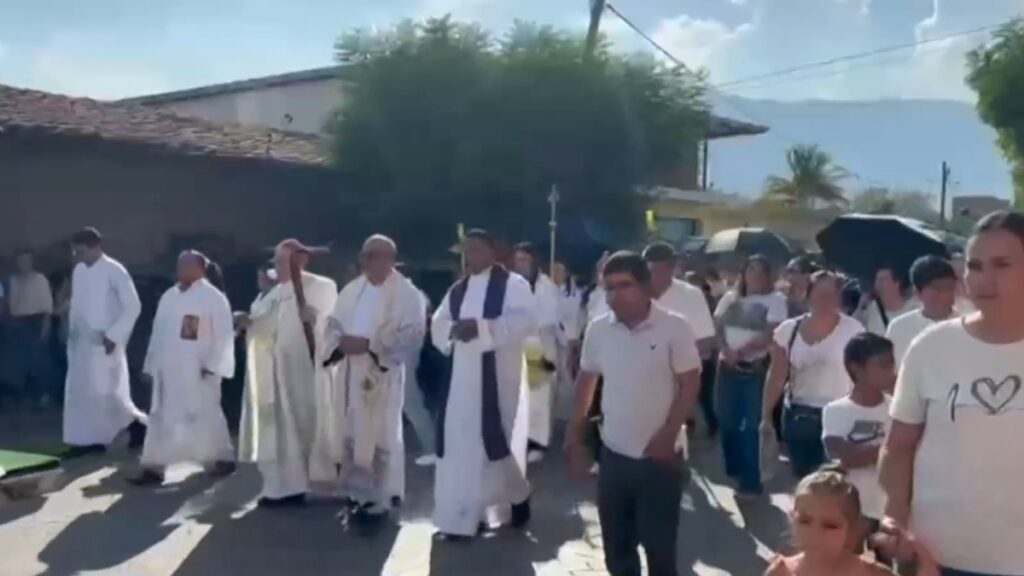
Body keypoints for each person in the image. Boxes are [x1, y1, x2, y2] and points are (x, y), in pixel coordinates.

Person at [878, 211, 1024, 576]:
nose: (984, 280)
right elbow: (898, 447)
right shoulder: (932, 347)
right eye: (974, 266)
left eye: (1002, 265)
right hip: (937, 558)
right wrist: (895, 518)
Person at [566, 251, 701, 576]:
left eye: (623, 285)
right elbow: (587, 382)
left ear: (644, 286)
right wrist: (575, 438)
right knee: (617, 548)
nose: (614, 295)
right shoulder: (599, 330)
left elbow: (689, 383)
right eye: (608, 287)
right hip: (613, 454)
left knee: (659, 549)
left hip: (660, 458)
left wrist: (668, 435)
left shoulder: (674, 327)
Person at [430, 229, 535, 539]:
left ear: (493, 252)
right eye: (467, 250)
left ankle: (517, 495)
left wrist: (481, 328)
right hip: (461, 379)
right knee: (461, 446)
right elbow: (438, 322)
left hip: (497, 376)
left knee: (493, 441)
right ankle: (463, 519)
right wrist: (452, 330)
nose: (471, 255)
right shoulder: (458, 289)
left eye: (477, 249)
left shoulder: (513, 285)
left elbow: (525, 322)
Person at [323, 234, 426, 530]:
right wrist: (340, 344)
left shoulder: (406, 294)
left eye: (374, 255)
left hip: (380, 374)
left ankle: (381, 497)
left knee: (381, 433)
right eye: (365, 255)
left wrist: (370, 344)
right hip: (350, 372)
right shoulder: (352, 290)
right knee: (353, 430)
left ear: (390, 259)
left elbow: (413, 335)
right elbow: (332, 325)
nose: (367, 261)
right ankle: (358, 492)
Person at [236, 239, 339, 507]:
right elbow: (261, 324)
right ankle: (281, 486)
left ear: (301, 261)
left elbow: (331, 325)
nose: (278, 267)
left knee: (305, 427)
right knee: (277, 433)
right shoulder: (274, 294)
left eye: (284, 262)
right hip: (273, 374)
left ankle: (309, 481)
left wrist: (313, 319)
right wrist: (248, 323)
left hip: (303, 371)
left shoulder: (321, 287)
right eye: (277, 262)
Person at [129, 251, 236, 485]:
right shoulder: (169, 296)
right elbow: (158, 333)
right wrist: (152, 363)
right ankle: (154, 467)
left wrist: (214, 364)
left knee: (203, 413)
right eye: (179, 265)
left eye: (185, 265)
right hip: (168, 370)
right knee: (161, 416)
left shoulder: (212, 298)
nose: (180, 269)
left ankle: (220, 458)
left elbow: (224, 336)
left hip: (198, 370)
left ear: (200, 268)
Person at [764, 271, 865, 478]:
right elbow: (776, 373)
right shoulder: (788, 330)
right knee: (804, 482)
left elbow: (862, 375)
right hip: (799, 416)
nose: (827, 301)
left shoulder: (854, 330)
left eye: (833, 294)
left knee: (835, 481)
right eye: (821, 294)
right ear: (808, 295)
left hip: (839, 415)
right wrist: (765, 415)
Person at [764, 466, 938, 576]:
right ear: (791, 520)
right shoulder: (781, 572)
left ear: (853, 530)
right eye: (804, 521)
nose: (815, 533)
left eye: (830, 526)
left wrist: (921, 554)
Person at [63, 227, 145, 455]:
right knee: (82, 394)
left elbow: (133, 306)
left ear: (95, 247)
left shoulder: (114, 270)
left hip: (104, 343)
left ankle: (137, 426)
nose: (78, 257)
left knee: (108, 393)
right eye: (75, 253)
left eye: (81, 252)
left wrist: (114, 335)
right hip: (81, 344)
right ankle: (86, 441)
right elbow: (78, 307)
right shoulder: (79, 270)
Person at [714, 255, 787, 498]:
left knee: (751, 426)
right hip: (727, 367)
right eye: (750, 269)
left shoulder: (775, 300)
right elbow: (717, 324)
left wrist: (742, 352)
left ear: (768, 275)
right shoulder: (730, 298)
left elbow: (771, 332)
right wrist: (726, 350)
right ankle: (734, 468)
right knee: (726, 420)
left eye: (760, 270)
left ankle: (751, 481)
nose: (754, 274)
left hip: (756, 368)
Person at [822, 333, 896, 538]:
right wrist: (892, 449)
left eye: (891, 363)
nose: (890, 370)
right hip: (849, 510)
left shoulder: (898, 410)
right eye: (882, 364)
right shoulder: (835, 410)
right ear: (856, 367)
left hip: (888, 510)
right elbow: (846, 456)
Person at [512, 242, 561, 463]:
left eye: (525, 260)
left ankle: (539, 444)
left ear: (533, 261)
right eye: (518, 260)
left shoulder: (545, 286)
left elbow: (549, 317)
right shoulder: (514, 284)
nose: (520, 264)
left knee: (539, 399)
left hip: (540, 348)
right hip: (520, 348)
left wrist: (524, 324)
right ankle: (523, 439)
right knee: (523, 398)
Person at [885, 256, 957, 367]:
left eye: (949, 288)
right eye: (937, 289)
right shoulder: (900, 328)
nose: (945, 295)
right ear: (918, 292)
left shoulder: (967, 322)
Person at [7, 250, 55, 406]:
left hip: (37, 320)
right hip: (19, 322)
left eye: (26, 261)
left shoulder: (40, 279)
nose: (23, 265)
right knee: (20, 360)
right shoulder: (14, 280)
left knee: (39, 359)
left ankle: (43, 394)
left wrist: (45, 328)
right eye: (21, 261)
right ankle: (23, 394)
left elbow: (47, 307)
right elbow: (12, 306)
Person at [403, 288, 437, 467]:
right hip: (400, 353)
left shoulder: (413, 294)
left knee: (411, 402)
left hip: (407, 353)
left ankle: (431, 448)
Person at [860, 266, 917, 336]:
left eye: (883, 280)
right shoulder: (869, 310)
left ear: (897, 283)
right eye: (877, 280)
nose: (878, 284)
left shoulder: (915, 308)